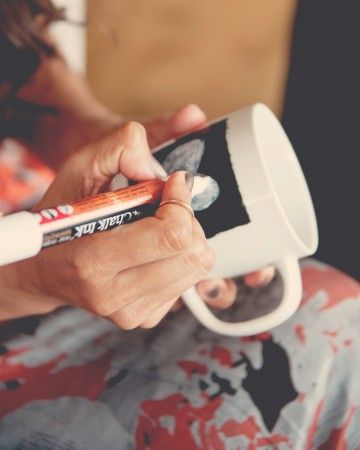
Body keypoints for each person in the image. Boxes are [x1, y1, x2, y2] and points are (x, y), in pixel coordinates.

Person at [0, 1, 359, 449]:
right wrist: (26, 283)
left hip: (38, 207)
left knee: (338, 320)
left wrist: (89, 130)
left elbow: (14, 40)